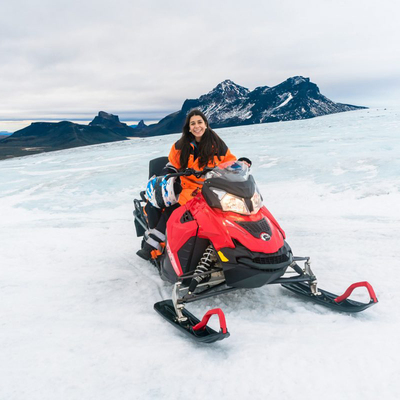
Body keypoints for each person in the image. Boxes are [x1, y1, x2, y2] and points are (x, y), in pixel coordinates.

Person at [136, 109, 250, 261]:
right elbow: (172, 164)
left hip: (212, 187)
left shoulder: (218, 144)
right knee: (175, 212)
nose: (197, 126)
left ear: (206, 124)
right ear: (189, 128)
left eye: (200, 122)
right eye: (193, 123)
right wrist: (168, 173)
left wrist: (240, 163)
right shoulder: (180, 146)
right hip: (187, 188)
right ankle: (153, 244)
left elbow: (228, 162)